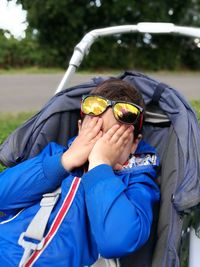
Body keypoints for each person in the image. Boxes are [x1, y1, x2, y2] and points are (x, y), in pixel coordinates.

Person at [0, 78, 160, 267]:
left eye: (112, 139)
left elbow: (116, 241)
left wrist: (100, 165)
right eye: (95, 133)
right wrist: (65, 160)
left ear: (134, 144)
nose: (100, 145)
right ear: (79, 129)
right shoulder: (55, 156)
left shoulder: (137, 182)